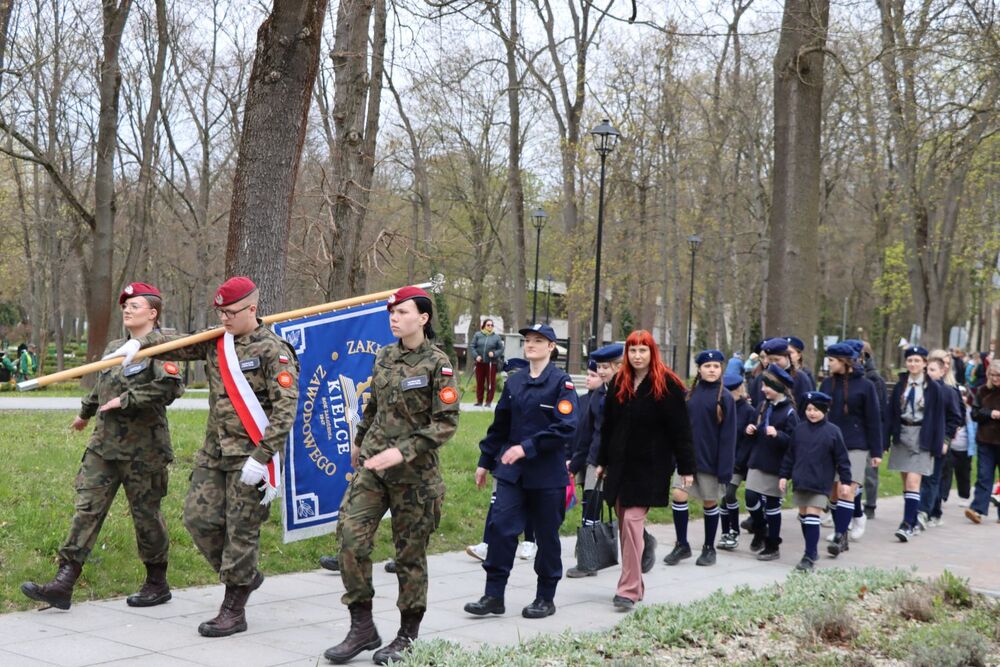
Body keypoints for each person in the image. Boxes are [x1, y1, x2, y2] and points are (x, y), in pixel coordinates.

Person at [105, 276, 299, 637]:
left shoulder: (275, 350)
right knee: (198, 519)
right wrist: (140, 344)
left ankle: (233, 608)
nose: (224, 318)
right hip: (214, 451)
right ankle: (244, 576)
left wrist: (264, 455)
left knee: (241, 530)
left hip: (251, 455)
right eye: (220, 312)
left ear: (252, 309)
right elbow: (176, 342)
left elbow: (286, 409)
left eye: (231, 312)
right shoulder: (218, 341)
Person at [21, 282, 184, 610]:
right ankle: (64, 581)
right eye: (124, 305)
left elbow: (171, 387)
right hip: (103, 447)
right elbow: (101, 384)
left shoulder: (162, 347)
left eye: (134, 305)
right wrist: (85, 413)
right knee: (87, 510)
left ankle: (156, 582)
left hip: (144, 451)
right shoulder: (115, 346)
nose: (126, 309)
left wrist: (127, 400)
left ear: (152, 312)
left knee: (146, 516)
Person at [323, 285, 459, 665]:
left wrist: (402, 451)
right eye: (392, 313)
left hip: (415, 477)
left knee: (409, 556)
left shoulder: (438, 363)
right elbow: (373, 405)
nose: (394, 318)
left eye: (402, 312)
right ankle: (362, 626)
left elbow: (446, 422)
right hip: (372, 468)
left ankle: (407, 635)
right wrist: (359, 440)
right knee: (350, 538)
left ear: (423, 318)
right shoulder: (384, 356)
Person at [464, 323, 578, 620]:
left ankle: (545, 596)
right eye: (528, 340)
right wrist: (485, 460)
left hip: (546, 474)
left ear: (551, 347)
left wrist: (527, 447)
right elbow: (500, 425)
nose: (531, 345)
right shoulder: (515, 383)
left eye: (538, 341)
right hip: (512, 473)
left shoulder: (561, 384)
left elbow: (565, 427)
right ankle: (493, 595)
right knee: (501, 528)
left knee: (546, 536)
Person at [596, 330, 695, 610]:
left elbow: (681, 430)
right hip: (619, 466)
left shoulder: (668, 385)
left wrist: (687, 467)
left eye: (643, 350)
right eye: (633, 351)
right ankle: (637, 582)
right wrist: (602, 461)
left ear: (653, 353)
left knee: (631, 523)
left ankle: (627, 589)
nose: (637, 356)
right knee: (625, 524)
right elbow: (608, 427)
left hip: (650, 467)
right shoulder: (619, 382)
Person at [663, 349, 735, 568]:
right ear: (699, 369)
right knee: (678, 494)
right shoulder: (690, 394)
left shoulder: (725, 397)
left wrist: (725, 469)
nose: (711, 370)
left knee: (710, 502)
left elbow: (729, 436)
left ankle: (708, 547)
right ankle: (682, 544)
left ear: (721, 369)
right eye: (707, 366)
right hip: (687, 459)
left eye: (715, 366)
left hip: (711, 460)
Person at [818, 343, 882, 550]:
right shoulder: (826, 385)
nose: (829, 364)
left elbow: (873, 419)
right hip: (830, 444)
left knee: (847, 490)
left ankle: (839, 536)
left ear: (844, 362)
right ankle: (842, 529)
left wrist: (877, 451)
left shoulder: (866, 386)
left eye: (832, 360)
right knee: (834, 492)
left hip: (856, 444)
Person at [778, 391, 852, 572]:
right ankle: (811, 550)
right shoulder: (799, 430)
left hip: (820, 483)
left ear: (825, 411)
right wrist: (783, 475)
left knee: (812, 516)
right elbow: (789, 455)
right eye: (809, 409)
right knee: (804, 517)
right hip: (801, 480)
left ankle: (809, 555)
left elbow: (842, 459)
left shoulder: (833, 432)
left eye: (817, 410)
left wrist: (845, 481)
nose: (812, 413)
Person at [885, 345, 946, 542]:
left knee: (913, 481)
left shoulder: (933, 388)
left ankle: (907, 524)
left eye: (917, 360)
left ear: (925, 363)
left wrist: (938, 445)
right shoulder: (900, 385)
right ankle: (912, 516)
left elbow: (938, 418)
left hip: (922, 435)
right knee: (906, 483)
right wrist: (886, 439)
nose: (913, 364)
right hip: (903, 433)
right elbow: (891, 413)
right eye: (910, 360)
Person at [744, 365, 798, 560]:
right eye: (763, 385)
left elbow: (794, 441)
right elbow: (758, 428)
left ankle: (773, 544)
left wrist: (779, 435)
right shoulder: (763, 406)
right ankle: (760, 529)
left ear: (780, 387)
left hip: (777, 465)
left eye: (767, 386)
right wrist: (752, 429)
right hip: (758, 460)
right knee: (750, 498)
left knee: (773, 506)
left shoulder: (790, 412)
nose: (763, 389)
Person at [919, 352, 964, 528]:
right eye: (927, 369)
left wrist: (946, 440)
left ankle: (926, 512)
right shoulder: (919, 389)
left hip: (939, 440)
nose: (928, 372)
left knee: (933, 477)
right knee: (921, 478)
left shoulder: (949, 391)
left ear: (943, 371)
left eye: (932, 369)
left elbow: (956, 417)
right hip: (920, 440)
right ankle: (926, 509)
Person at [718, 372, 755, 550]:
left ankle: (734, 531)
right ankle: (726, 532)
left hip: (739, 462)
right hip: (722, 459)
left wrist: (738, 462)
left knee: (729, 494)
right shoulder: (721, 407)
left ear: (740, 390)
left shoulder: (748, 411)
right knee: (722, 498)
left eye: (731, 392)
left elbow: (748, 442)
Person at [964, 363, 1000, 525]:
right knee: (984, 475)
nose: (995, 378)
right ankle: (978, 509)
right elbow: (975, 413)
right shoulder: (982, 391)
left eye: (998, 375)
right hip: (985, 440)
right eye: (992, 375)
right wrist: (991, 413)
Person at [940, 385, 974, 508]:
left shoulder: (969, 411)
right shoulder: (950, 410)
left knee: (963, 473)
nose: (963, 398)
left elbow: (973, 429)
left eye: (965, 396)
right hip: (950, 447)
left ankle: (964, 495)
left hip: (965, 449)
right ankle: (942, 495)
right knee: (946, 472)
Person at [471, 318, 504, 407]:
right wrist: (476, 356)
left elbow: (501, 349)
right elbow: (472, 346)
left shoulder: (496, 337)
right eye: (488, 325)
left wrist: (494, 353)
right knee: (480, 382)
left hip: (491, 363)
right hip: (480, 362)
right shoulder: (478, 335)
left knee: (490, 383)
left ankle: (488, 401)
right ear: (484, 326)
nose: (490, 326)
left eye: (492, 325)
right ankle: (479, 401)